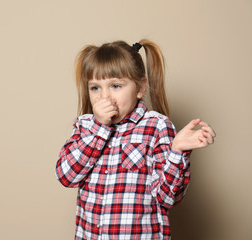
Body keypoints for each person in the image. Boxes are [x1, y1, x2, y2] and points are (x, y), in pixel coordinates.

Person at [55, 39, 216, 240]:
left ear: (140, 88)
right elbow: (66, 176)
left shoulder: (156, 126)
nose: (104, 97)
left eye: (115, 86)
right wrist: (99, 128)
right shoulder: (84, 126)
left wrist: (177, 152)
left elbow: (167, 198)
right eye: (95, 88)